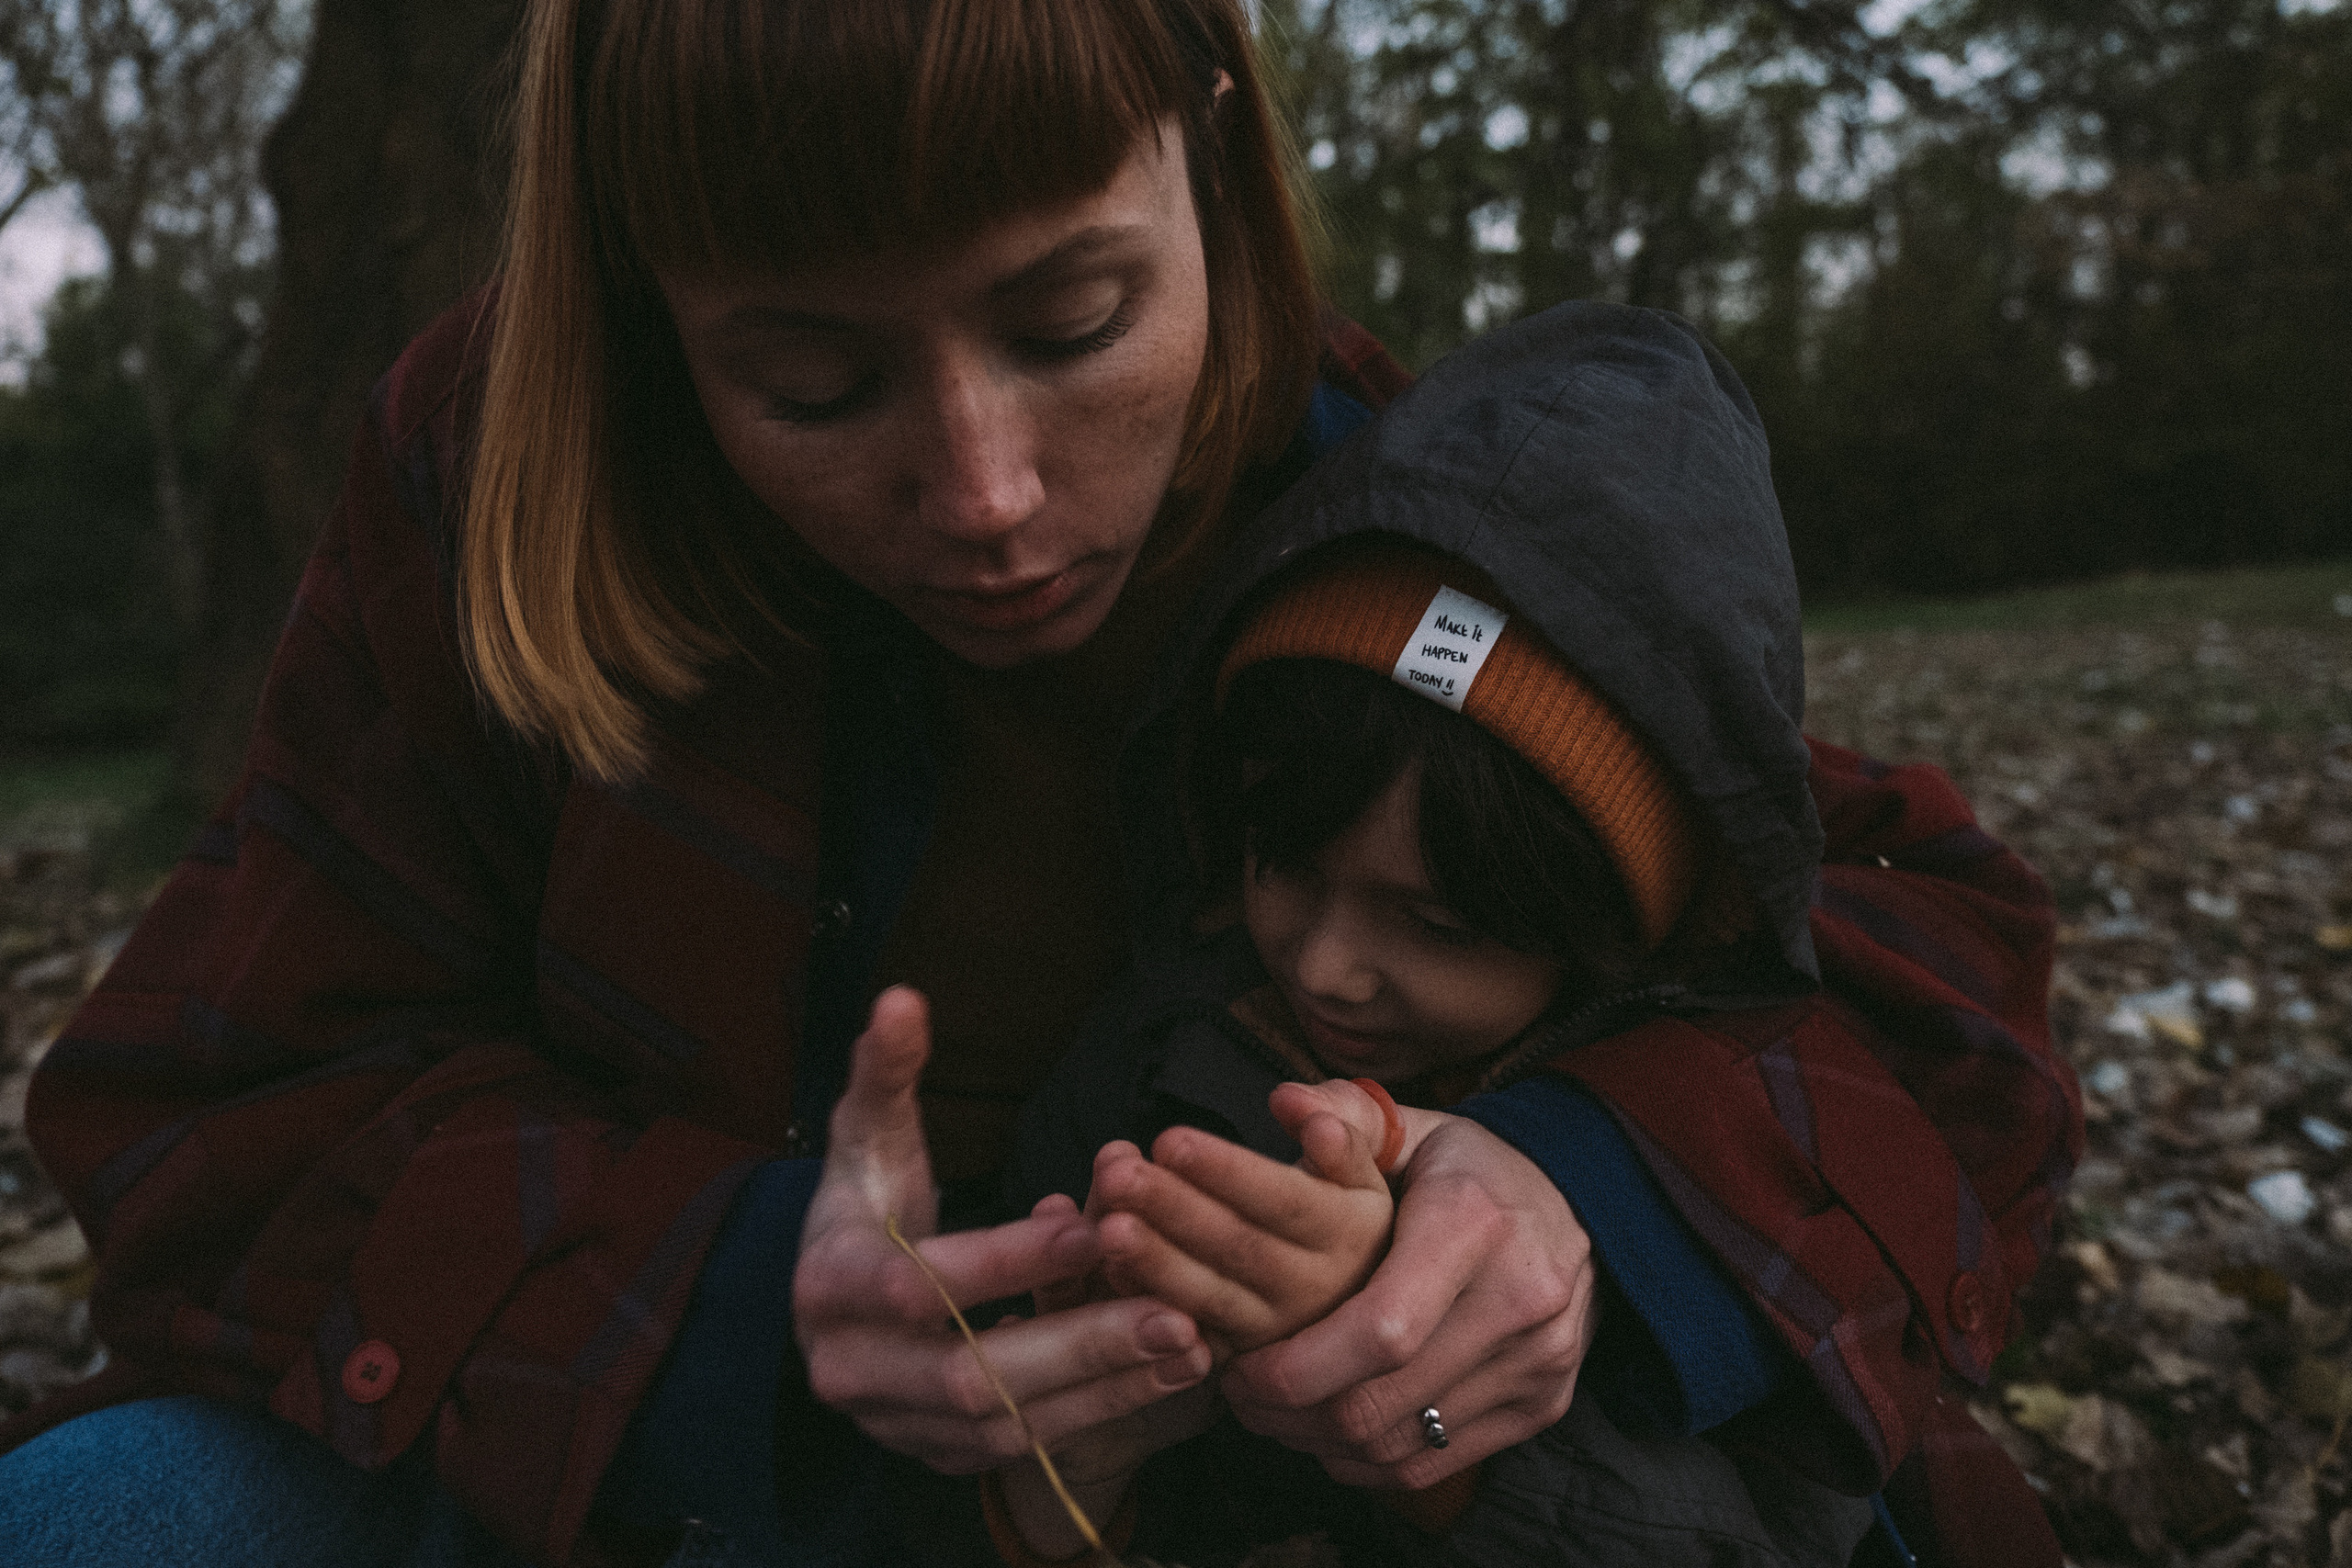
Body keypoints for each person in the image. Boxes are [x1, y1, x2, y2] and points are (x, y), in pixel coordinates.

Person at [0, 2, 2078, 1565]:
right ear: (646, 305)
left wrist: (1578, 1194)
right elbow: (214, 1113)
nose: (983, 496)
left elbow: (1922, 957)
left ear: (1211, 144)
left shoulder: (1409, 531)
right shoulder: (482, 491)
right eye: (808, 382)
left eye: (1076, 319)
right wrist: (740, 1302)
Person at [984, 305, 2048, 1568]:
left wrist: (1428, 1448)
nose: (1323, 962)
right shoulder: (1153, 1066)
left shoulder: (1737, 1169)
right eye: (1285, 863)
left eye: (1435, 922)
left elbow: (1777, 1528)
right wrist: (1068, 1467)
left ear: (1608, 929)